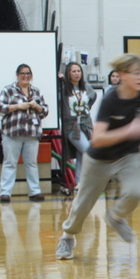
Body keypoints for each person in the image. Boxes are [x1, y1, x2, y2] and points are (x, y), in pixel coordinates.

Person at [55, 53, 140, 259]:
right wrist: (129, 131)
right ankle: (67, 237)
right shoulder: (111, 100)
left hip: (128, 156)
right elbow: (97, 138)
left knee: (134, 192)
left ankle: (115, 216)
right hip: (99, 159)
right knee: (83, 204)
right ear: (122, 75)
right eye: (136, 73)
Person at [0, 64, 49, 203]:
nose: (25, 76)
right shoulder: (8, 90)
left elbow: (45, 111)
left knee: (31, 163)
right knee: (10, 163)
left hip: (32, 133)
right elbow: (0, 108)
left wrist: (36, 106)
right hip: (12, 133)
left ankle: (34, 191)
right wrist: (17, 106)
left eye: (28, 73)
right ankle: (5, 193)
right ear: (17, 75)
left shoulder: (36, 91)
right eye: (22, 73)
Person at [60, 62, 97, 193]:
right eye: (73, 71)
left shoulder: (86, 87)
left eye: (78, 71)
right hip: (71, 125)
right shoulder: (64, 88)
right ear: (68, 73)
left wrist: (87, 110)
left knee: (81, 154)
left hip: (86, 124)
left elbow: (93, 97)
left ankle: (79, 182)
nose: (76, 74)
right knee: (87, 150)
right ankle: (90, 180)